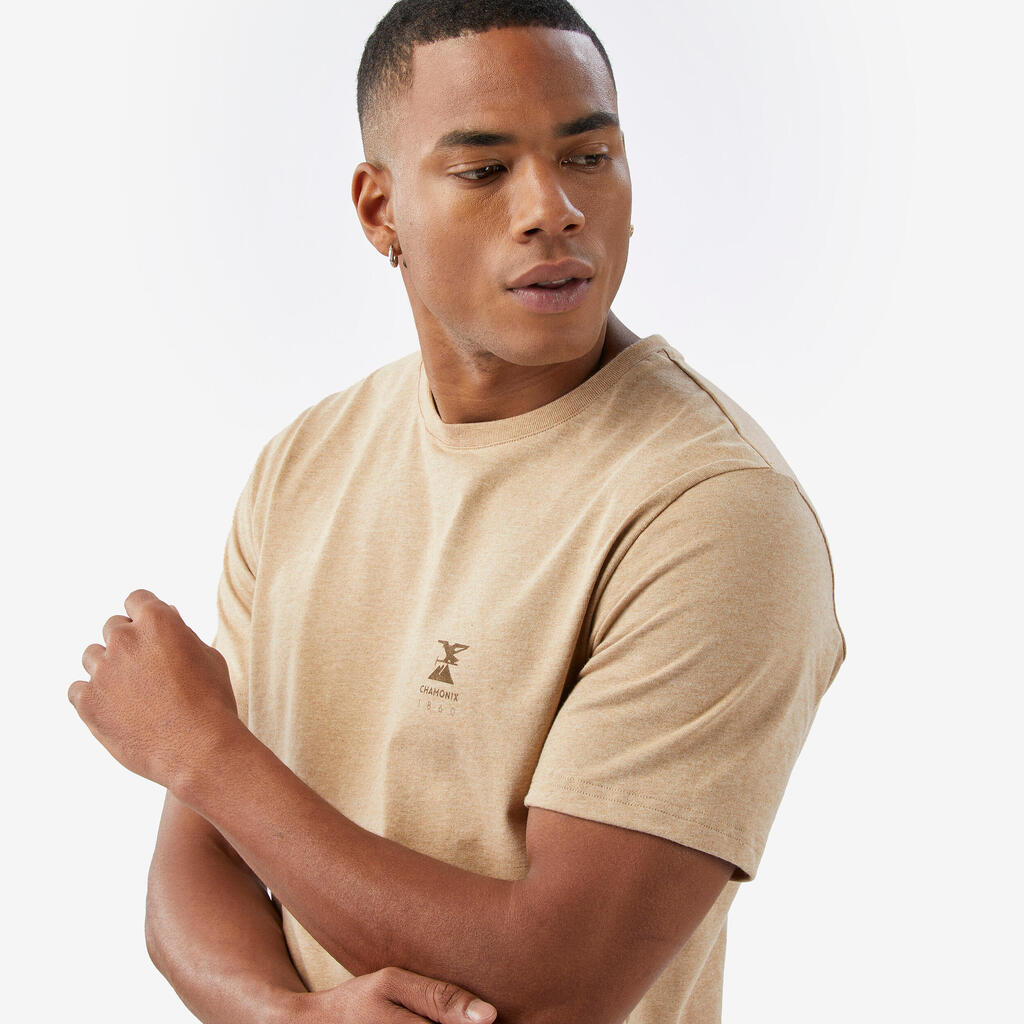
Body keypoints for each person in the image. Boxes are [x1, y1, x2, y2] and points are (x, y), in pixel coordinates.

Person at [69, 2, 846, 1022]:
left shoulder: (713, 512)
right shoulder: (304, 462)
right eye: (483, 170)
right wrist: (287, 1017)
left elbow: (557, 984)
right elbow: (202, 860)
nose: (552, 209)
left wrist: (204, 753)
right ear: (379, 210)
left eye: (589, 156)